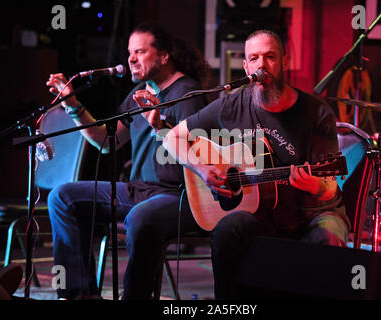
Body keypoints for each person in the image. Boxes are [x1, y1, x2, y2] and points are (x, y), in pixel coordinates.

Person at [162, 29, 350, 299]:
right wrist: (202, 169)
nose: (262, 64)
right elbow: (172, 137)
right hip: (261, 212)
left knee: (328, 238)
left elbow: (330, 188)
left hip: (313, 213)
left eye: (270, 57)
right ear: (246, 66)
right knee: (228, 229)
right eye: (255, 58)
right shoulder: (230, 104)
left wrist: (315, 185)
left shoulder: (316, 112)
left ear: (284, 61)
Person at [45, 22, 210, 300]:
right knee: (63, 197)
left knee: (140, 216)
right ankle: (78, 295)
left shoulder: (188, 95)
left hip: (177, 195)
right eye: (129, 52)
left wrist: (162, 125)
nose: (131, 58)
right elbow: (108, 142)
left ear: (164, 55)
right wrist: (73, 105)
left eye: (140, 52)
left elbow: (199, 155)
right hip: (139, 190)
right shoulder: (138, 94)